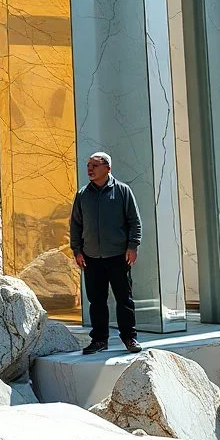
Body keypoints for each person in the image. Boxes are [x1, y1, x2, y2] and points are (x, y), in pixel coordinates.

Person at [69, 151, 143, 355]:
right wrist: (77, 250)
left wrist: (133, 246)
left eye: (95, 165)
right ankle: (99, 340)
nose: (90, 169)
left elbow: (134, 222)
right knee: (97, 301)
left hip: (119, 256)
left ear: (107, 168)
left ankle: (129, 337)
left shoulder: (122, 191)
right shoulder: (82, 194)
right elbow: (75, 224)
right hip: (91, 257)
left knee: (124, 299)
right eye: (88, 165)